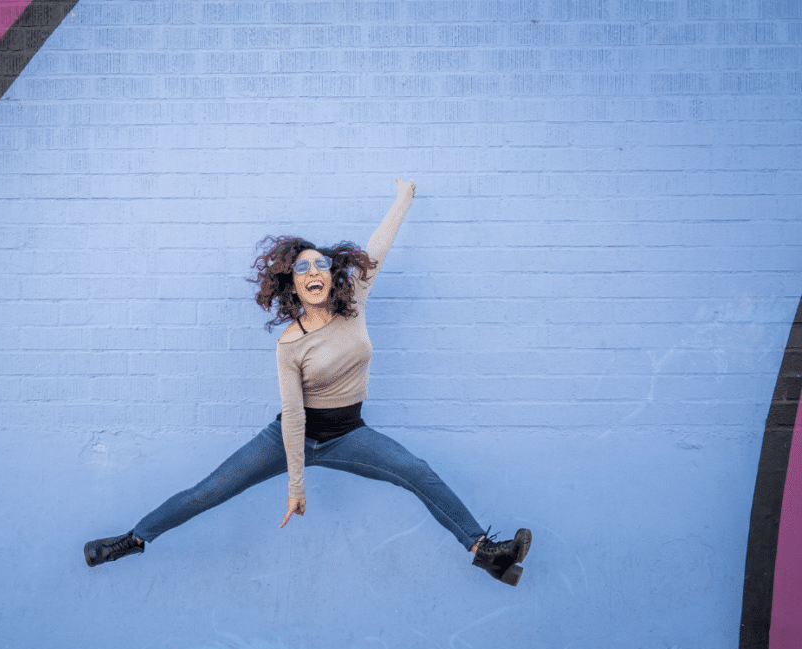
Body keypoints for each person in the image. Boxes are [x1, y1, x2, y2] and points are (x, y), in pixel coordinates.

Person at [84, 178, 532, 586]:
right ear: (291, 286)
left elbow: (377, 248)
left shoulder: (353, 299)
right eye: (302, 268)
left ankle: (485, 552)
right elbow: (295, 416)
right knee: (210, 490)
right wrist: (296, 484)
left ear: (331, 274)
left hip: (349, 435)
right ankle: (133, 539)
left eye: (320, 264)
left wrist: (404, 198)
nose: (313, 271)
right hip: (288, 437)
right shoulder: (290, 344)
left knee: (417, 471)